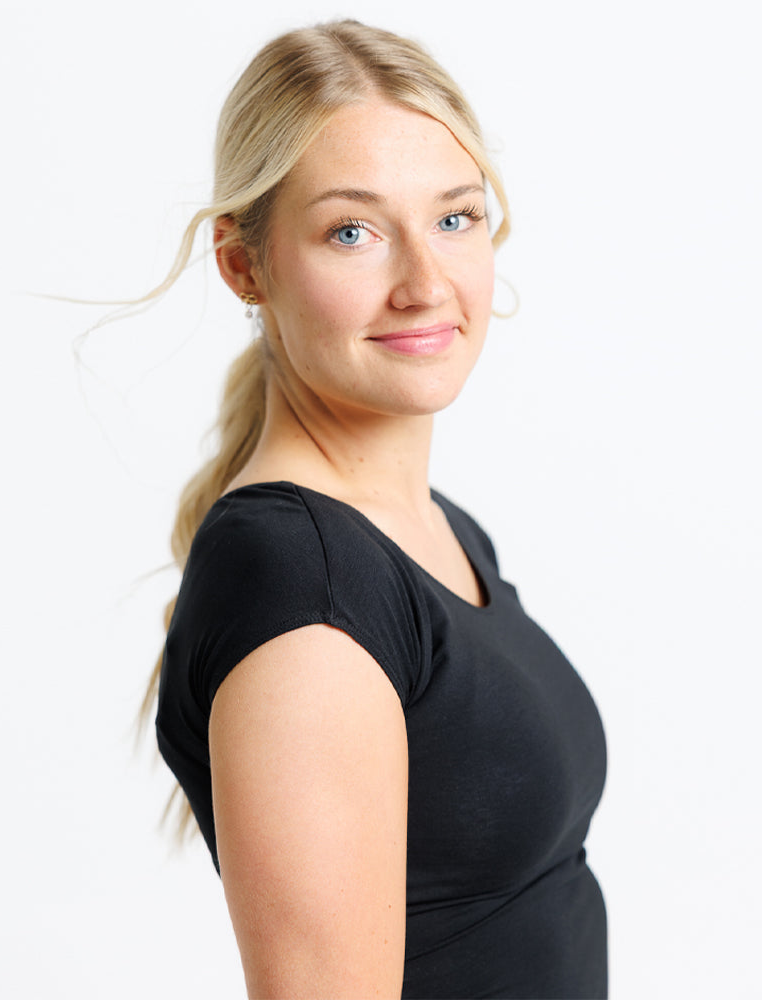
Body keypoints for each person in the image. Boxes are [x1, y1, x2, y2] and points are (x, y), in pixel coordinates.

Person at [146, 19, 607, 999]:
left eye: (455, 218)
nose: (426, 285)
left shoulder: (431, 529)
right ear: (244, 264)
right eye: (352, 231)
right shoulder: (305, 585)